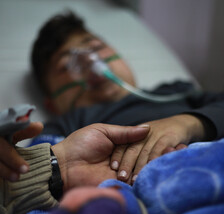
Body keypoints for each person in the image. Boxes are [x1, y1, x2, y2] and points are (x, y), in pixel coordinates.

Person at [30, 11, 224, 183]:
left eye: (96, 47)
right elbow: (36, 168)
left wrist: (186, 123)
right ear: (53, 104)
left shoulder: (175, 90)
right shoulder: (67, 124)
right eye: (66, 65)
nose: (90, 61)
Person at [0, 123, 149, 214]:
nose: (95, 74)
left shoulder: (168, 92)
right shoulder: (63, 123)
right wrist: (61, 165)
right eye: (65, 72)